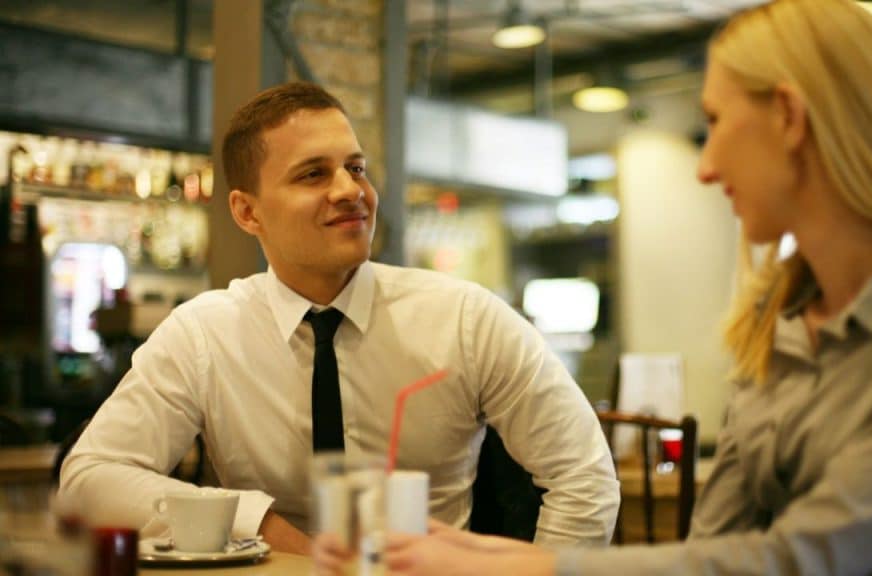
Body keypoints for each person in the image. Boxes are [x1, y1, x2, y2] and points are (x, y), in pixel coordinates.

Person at [315, 0, 872, 574]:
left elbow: (810, 555)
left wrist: (526, 570)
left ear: (789, 116)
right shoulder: (774, 313)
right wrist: (470, 550)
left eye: (715, 124)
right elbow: (714, 546)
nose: (705, 167)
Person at [57, 82, 619, 555]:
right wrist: (259, 524)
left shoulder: (465, 319)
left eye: (356, 167)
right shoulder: (205, 334)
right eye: (313, 175)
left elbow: (584, 478)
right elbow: (88, 479)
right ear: (247, 211)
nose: (351, 191)